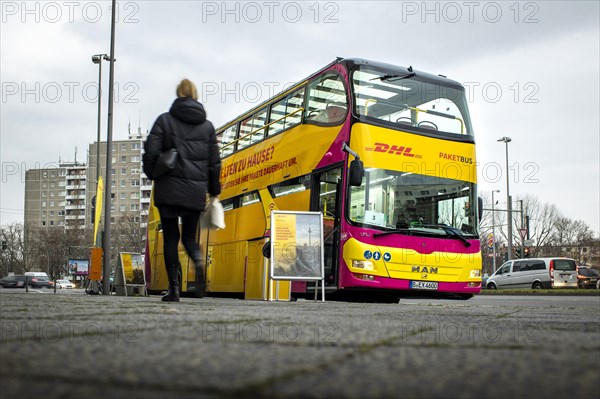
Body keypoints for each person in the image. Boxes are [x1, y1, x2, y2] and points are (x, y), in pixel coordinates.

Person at [143, 78, 221, 302]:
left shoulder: (164, 121)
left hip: (168, 190)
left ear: (178, 94)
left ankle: (174, 289)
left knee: (170, 238)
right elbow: (215, 163)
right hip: (194, 193)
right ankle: (197, 260)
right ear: (195, 95)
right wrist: (214, 189)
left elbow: (150, 152)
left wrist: (152, 173)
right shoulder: (207, 127)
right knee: (189, 238)